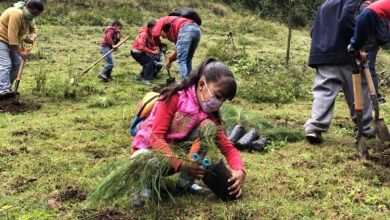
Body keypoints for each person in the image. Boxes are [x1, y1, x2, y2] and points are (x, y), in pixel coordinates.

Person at [130, 59, 246, 207]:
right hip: (151, 152)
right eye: (218, 96)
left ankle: (185, 184)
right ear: (202, 84)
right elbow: (155, 137)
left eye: (223, 100)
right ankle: (145, 187)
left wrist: (239, 170)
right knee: (141, 161)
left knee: (208, 126)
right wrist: (182, 164)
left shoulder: (208, 114)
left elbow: (227, 147)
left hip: (177, 156)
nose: (219, 103)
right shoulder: (175, 97)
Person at [304, 0, 374, 144]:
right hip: (347, 54)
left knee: (324, 91)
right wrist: (358, 44)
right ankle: (365, 128)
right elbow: (347, 19)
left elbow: (313, 31)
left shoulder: (324, 5)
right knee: (359, 91)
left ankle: (314, 127)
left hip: (324, 54)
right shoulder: (352, 1)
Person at [0, 0, 44, 98]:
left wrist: (32, 37)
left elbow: (33, 30)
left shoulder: (29, 16)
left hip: (13, 42)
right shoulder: (16, 13)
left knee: (18, 64)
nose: (34, 16)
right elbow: (12, 35)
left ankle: (6, 88)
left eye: (37, 15)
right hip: (1, 39)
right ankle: (3, 90)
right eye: (34, 14)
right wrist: (20, 52)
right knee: (5, 64)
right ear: (30, 8)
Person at [349, 0, 389, 103]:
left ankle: (374, 97)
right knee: (368, 68)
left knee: (369, 68)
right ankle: (372, 96)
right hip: (369, 42)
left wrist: (355, 44)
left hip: (369, 43)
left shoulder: (366, 8)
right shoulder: (372, 6)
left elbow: (363, 21)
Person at [152, 15, 201, 79]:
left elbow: (155, 34)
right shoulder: (176, 29)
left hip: (186, 29)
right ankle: (189, 84)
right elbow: (178, 52)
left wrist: (159, 44)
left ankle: (184, 84)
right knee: (188, 60)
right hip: (197, 30)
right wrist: (169, 60)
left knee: (182, 60)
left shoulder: (162, 20)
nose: (163, 36)